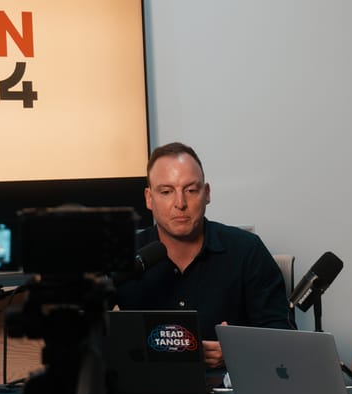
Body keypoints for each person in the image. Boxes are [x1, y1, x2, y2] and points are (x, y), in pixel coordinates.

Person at [115, 142, 294, 368]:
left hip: (227, 393)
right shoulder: (122, 255)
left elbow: (284, 335)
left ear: (206, 193)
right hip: (144, 392)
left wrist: (239, 350)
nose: (180, 203)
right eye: (166, 191)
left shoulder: (246, 250)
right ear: (149, 198)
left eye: (190, 190)